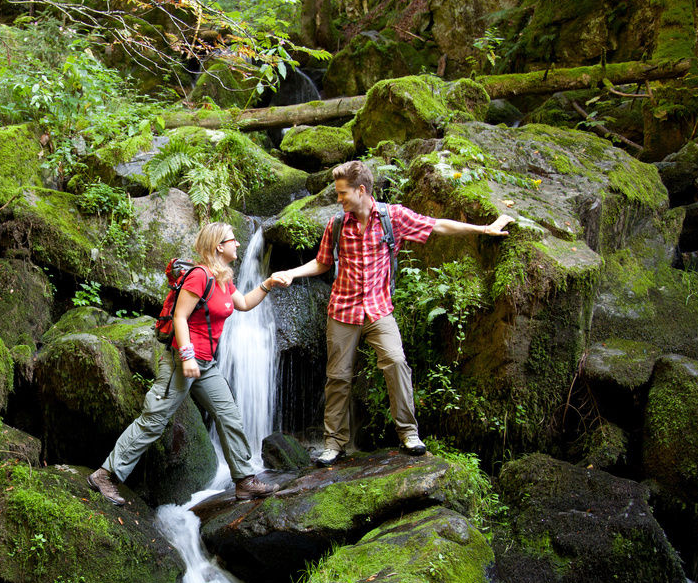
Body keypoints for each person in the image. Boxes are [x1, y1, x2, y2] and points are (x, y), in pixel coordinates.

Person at [272, 160, 512, 465]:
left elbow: (437, 225)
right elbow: (322, 263)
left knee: (396, 362)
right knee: (338, 377)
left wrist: (482, 229)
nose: (339, 198)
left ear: (361, 190)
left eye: (342, 192)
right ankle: (334, 443)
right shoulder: (337, 224)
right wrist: (292, 273)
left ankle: (409, 433)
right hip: (342, 311)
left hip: (378, 310)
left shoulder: (392, 217)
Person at [88, 222, 284, 504]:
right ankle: (105, 475)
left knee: (229, 415)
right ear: (219, 246)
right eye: (232, 240)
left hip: (206, 364)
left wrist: (268, 284)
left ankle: (244, 481)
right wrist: (187, 355)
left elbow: (242, 303)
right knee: (154, 420)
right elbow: (179, 317)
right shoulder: (199, 276)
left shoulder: (223, 278)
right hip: (182, 362)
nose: (238, 244)